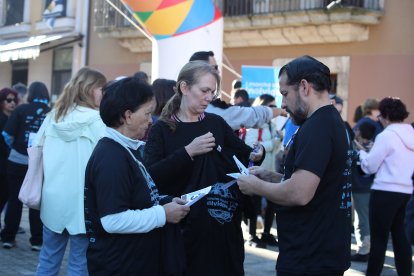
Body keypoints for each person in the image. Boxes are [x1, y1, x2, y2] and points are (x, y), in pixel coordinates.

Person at [144, 61, 264, 275]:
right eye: (204, 91)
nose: (209, 97)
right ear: (184, 88)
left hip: (222, 229)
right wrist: (188, 152)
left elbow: (246, 155)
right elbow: (151, 177)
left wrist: (259, 152)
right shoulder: (162, 129)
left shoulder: (215, 123)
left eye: (213, 92)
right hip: (182, 233)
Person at [237, 55, 352, 275]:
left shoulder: (317, 128)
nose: (282, 103)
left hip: (310, 257)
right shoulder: (330, 122)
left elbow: (300, 193)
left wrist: (254, 186)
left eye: (285, 94)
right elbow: (317, 184)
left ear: (304, 87)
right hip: (321, 252)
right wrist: (271, 177)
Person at [84, 77, 190, 275]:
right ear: (128, 115)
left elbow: (137, 197)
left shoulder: (126, 149)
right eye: (147, 113)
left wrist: (164, 201)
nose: (151, 121)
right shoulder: (111, 157)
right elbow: (112, 220)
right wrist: (163, 214)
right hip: (119, 265)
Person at [35, 67, 107, 275]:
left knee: (48, 259)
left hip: (52, 201)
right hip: (83, 204)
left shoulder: (52, 117)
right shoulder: (97, 121)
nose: (104, 93)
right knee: (79, 264)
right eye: (101, 88)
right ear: (89, 89)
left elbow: (36, 150)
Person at [359, 97, 414, 276]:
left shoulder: (386, 135)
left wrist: (361, 154)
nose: (379, 119)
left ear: (386, 115)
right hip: (405, 191)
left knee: (379, 240)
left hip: (384, 192)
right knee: (400, 238)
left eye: (381, 115)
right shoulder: (411, 133)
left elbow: (370, 166)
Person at [1, 82, 50, 251]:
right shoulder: (52, 113)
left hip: (17, 160)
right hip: (40, 163)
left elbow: (7, 134)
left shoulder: (21, 110)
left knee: (14, 199)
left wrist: (15, 147)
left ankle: (8, 237)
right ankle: (36, 241)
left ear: (30, 93)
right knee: (37, 201)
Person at [189, 50, 286, 130]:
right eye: (215, 67)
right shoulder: (204, 106)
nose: (218, 71)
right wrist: (275, 111)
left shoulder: (193, 101)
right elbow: (242, 116)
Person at [244, 94, 281, 248]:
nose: (275, 109)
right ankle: (252, 235)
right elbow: (252, 145)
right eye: (271, 106)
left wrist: (276, 142)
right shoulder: (253, 124)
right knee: (255, 202)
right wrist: (273, 142)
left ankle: (266, 233)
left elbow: (276, 147)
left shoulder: (272, 125)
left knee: (272, 203)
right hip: (257, 170)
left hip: (270, 170)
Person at [0, 88, 19, 230]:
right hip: (2, 163)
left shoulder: (14, 118)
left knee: (7, 195)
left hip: (10, 164)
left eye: (14, 100)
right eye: (8, 100)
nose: (12, 103)